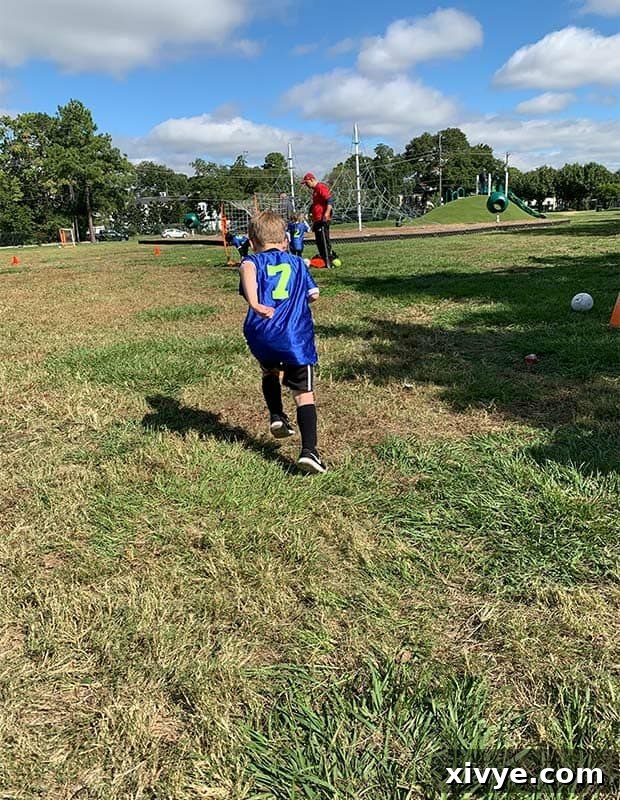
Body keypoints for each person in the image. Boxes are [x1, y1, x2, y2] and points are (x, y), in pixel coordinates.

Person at [238, 210, 326, 474]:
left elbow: (248, 271)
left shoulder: (251, 262)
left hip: (261, 334)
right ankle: (309, 451)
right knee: (304, 394)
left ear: (253, 241)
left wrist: (256, 304)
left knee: (270, 371)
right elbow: (314, 295)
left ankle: (277, 415)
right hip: (294, 338)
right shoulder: (298, 264)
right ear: (286, 240)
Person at [301, 172, 337, 268]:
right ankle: (323, 259)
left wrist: (327, 213)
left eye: (307, 183)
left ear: (312, 179)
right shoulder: (315, 191)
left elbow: (330, 200)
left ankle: (329, 261)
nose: (306, 185)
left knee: (324, 240)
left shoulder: (321, 187)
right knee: (319, 241)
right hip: (317, 220)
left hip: (322, 219)